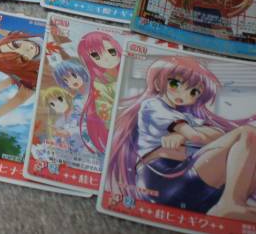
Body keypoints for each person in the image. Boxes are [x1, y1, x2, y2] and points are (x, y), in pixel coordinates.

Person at [107, 56, 256, 221]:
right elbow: (196, 136)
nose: (183, 94)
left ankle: (232, 204)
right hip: (161, 179)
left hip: (183, 178)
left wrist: (182, 135)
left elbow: (219, 134)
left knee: (249, 150)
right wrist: (189, 134)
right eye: (175, 84)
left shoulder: (185, 116)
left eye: (193, 92)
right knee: (247, 134)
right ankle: (230, 203)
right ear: (158, 83)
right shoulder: (153, 106)